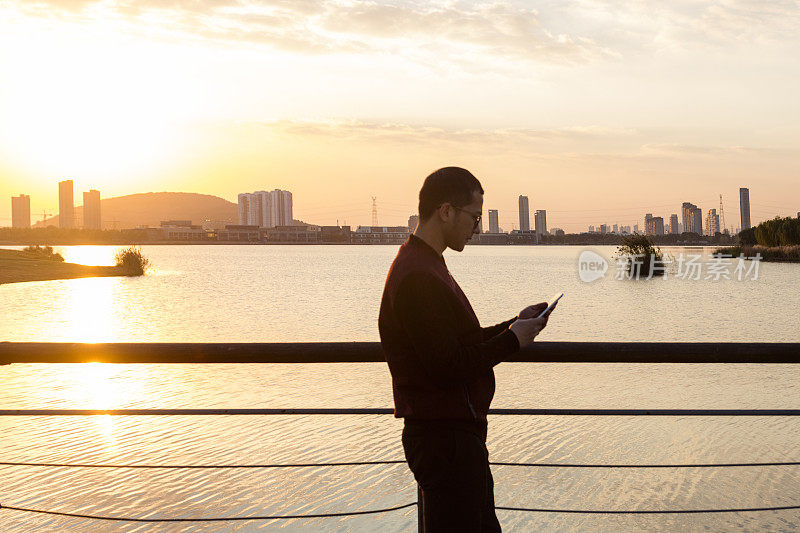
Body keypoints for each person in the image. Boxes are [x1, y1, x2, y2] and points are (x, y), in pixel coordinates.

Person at [378, 167, 554, 532]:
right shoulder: (417, 275)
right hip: (445, 441)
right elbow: (448, 365)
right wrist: (511, 340)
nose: (476, 228)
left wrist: (513, 325)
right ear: (445, 211)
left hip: (451, 437)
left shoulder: (424, 263)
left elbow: (455, 340)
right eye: (474, 217)